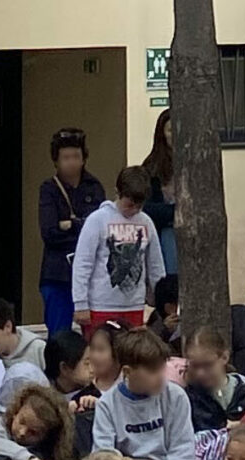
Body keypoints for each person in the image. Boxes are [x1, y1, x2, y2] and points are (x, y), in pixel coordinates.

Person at [91, 327, 196, 460]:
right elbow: (102, 455)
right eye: (153, 371)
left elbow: (183, 448)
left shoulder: (176, 396)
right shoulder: (107, 404)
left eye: (162, 368)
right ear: (127, 371)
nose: (161, 376)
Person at [71, 166, 166, 331]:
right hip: (101, 305)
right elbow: (82, 263)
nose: (134, 210)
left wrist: (162, 300)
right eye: (129, 205)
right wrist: (80, 304)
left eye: (139, 206)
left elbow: (156, 265)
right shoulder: (97, 220)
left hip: (134, 305)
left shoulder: (146, 222)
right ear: (118, 193)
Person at [36, 128, 106, 335]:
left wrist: (69, 224)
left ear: (84, 158)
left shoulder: (94, 187)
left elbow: (100, 229)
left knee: (97, 335)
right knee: (59, 335)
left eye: (76, 156)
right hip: (58, 273)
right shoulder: (48, 189)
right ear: (56, 161)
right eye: (65, 157)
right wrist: (81, 226)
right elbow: (49, 233)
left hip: (91, 275)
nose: (71, 162)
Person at [140, 111, 181, 283]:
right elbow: (147, 209)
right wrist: (176, 212)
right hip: (166, 234)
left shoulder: (197, 163)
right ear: (162, 134)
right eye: (171, 130)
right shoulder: (152, 166)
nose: (176, 135)